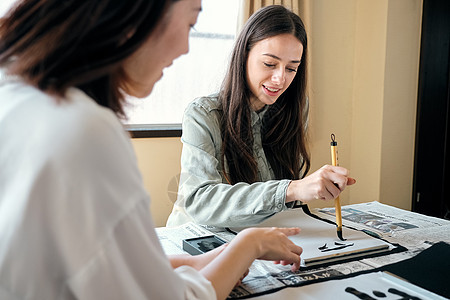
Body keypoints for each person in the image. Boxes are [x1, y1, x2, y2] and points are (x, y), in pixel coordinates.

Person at [0, 1, 304, 299]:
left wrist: (195, 263)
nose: (186, 46)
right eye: (190, 22)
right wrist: (248, 245)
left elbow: (97, 264)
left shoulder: (17, 94)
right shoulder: (86, 130)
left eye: (292, 68)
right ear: (138, 13)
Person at [167, 5, 356, 228]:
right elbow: (200, 202)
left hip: (262, 235)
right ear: (244, 54)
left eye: (291, 68)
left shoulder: (295, 108)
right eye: (269, 64)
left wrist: (313, 188)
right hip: (200, 239)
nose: (280, 79)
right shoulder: (203, 114)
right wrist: (292, 189)